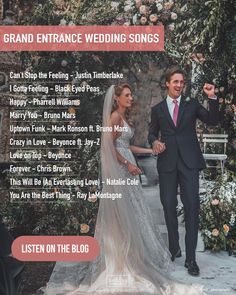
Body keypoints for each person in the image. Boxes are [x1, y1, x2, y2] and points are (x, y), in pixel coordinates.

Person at [45, 83, 203, 294]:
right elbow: (108, 147)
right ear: (117, 98)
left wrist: (150, 151)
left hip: (129, 168)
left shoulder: (122, 118)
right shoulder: (114, 118)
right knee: (122, 215)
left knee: (131, 214)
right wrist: (128, 164)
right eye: (127, 95)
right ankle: (118, 259)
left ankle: (128, 254)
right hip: (121, 170)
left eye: (131, 95)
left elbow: (126, 146)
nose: (131, 98)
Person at [148, 67, 219, 276]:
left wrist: (212, 97)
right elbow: (152, 133)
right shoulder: (158, 109)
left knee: (191, 209)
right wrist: (154, 142)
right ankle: (174, 247)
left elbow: (212, 121)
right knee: (168, 206)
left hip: (189, 163)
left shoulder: (193, 105)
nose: (179, 85)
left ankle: (191, 259)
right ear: (167, 84)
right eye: (175, 81)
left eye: (182, 82)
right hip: (167, 164)